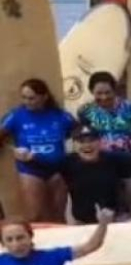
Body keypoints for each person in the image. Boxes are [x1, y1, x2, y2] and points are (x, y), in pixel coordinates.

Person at [78, 71, 131, 216]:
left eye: (108, 92)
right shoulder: (85, 111)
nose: (104, 97)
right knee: (108, 205)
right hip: (102, 163)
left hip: (129, 160)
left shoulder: (129, 108)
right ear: (91, 92)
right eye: (99, 93)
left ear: (115, 90)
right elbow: (82, 137)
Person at [1, 78, 77, 222]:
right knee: (34, 216)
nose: (27, 102)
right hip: (31, 170)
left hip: (57, 170)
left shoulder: (60, 115)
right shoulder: (16, 115)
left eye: (31, 98)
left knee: (58, 217)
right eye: (24, 98)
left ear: (44, 97)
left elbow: (80, 133)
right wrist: (13, 150)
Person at [60, 128, 127, 224]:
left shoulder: (113, 158)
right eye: (81, 141)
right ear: (74, 145)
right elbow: (45, 167)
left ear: (100, 143)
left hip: (114, 220)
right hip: (81, 222)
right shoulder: (67, 162)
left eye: (91, 140)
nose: (87, 145)